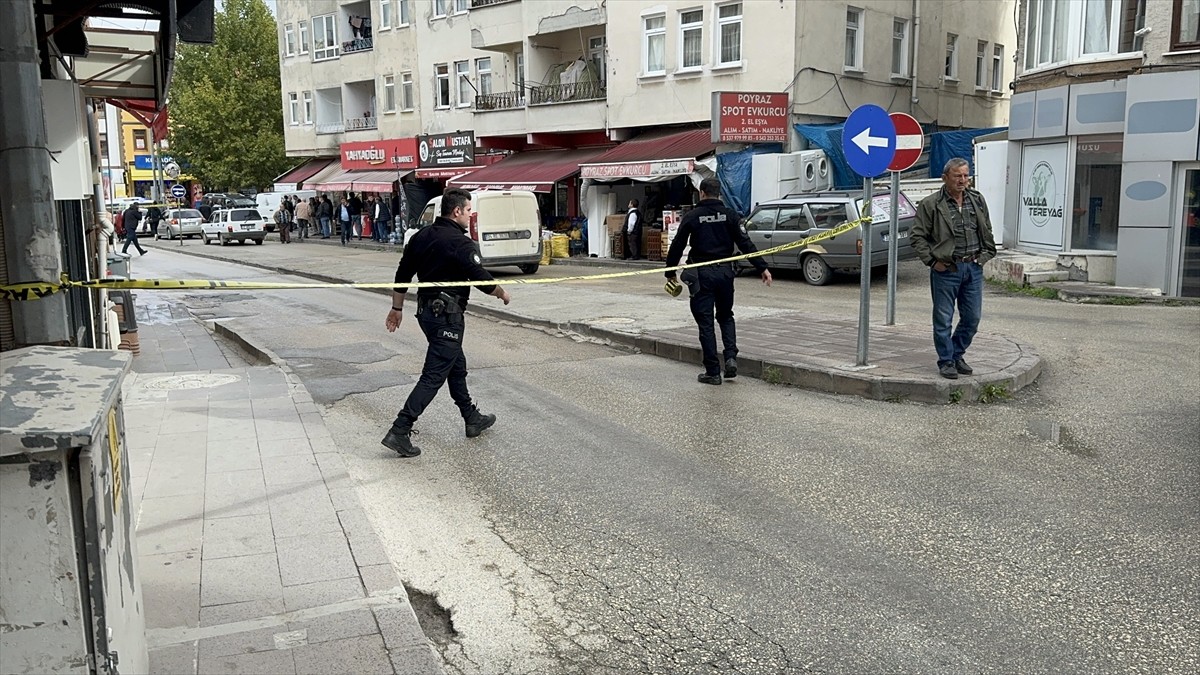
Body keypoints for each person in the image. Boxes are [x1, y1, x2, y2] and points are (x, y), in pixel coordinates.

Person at [381, 189, 512, 457]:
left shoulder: (420, 237)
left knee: (455, 365)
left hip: (427, 315)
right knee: (433, 375)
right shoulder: (460, 242)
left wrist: (396, 307)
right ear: (456, 212)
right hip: (447, 316)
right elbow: (479, 276)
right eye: (468, 210)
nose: (470, 214)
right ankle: (400, 429)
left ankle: (471, 417)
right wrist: (501, 292)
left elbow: (402, 274)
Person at [664, 177, 771, 385]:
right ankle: (730, 358)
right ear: (718, 193)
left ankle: (713, 372)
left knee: (705, 324)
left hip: (701, 276)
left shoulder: (693, 216)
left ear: (702, 193)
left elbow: (677, 244)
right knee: (725, 316)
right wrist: (762, 267)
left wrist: (669, 272)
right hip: (725, 274)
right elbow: (745, 243)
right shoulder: (730, 216)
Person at [911, 157, 998, 380]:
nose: (962, 180)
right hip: (946, 269)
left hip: (973, 267)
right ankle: (946, 361)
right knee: (943, 319)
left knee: (972, 318)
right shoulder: (931, 204)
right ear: (945, 178)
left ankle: (956, 353)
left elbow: (986, 228)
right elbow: (917, 237)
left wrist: (985, 255)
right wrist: (932, 262)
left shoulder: (976, 200)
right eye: (957, 176)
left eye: (965, 176)